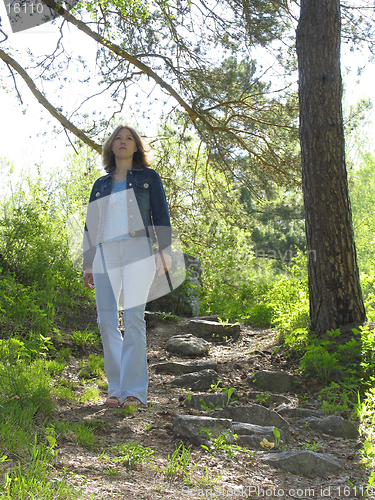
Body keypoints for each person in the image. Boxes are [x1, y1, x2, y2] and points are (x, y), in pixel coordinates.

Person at [83, 125, 172, 408]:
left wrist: (165, 250)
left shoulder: (149, 178)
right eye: (118, 139)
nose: (123, 142)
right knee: (106, 321)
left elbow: (160, 214)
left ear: (136, 146)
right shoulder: (100, 184)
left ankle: (134, 391)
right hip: (105, 254)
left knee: (133, 319)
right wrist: (88, 262)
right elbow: (91, 226)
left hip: (138, 251)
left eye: (129, 138)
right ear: (111, 147)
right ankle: (116, 388)